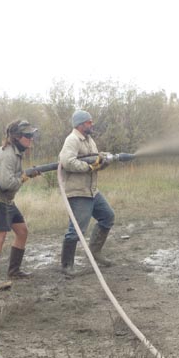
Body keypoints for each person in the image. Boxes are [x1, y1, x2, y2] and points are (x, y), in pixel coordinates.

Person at [0, 119, 40, 290]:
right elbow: (6, 183)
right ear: (16, 137)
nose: (31, 139)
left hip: (7, 200)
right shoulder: (6, 154)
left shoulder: (15, 152)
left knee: (22, 232)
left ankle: (14, 271)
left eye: (32, 135)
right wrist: (24, 177)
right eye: (27, 136)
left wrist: (26, 174)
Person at [58, 110, 115, 277]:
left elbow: (94, 160)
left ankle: (95, 253)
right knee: (76, 230)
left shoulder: (90, 140)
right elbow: (67, 162)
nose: (92, 124)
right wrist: (89, 167)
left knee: (107, 216)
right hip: (78, 192)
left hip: (91, 191)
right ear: (81, 124)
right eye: (89, 122)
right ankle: (66, 265)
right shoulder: (72, 140)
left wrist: (103, 162)